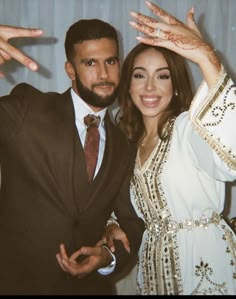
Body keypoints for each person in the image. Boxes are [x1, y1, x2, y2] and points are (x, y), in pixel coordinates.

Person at [0, 19, 145, 295]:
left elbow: (131, 221)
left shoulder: (125, 144)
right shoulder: (28, 108)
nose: (104, 74)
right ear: (70, 69)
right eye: (90, 63)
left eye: (111, 61)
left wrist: (108, 258)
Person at [101, 1, 236, 295]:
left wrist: (205, 57)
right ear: (128, 85)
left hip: (204, 265)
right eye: (139, 75)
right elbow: (122, 204)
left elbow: (231, 159)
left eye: (162, 75)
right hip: (154, 272)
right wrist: (112, 225)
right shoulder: (128, 143)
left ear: (175, 85)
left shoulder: (189, 128)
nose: (150, 87)